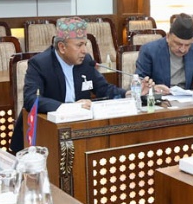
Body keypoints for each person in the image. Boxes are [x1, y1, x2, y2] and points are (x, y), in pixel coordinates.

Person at [13, 16, 151, 150]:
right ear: (62, 47)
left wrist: (129, 94)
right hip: (40, 136)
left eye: (85, 44)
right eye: (79, 45)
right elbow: (31, 99)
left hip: (77, 131)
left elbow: (103, 89)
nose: (84, 50)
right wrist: (69, 108)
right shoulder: (40, 64)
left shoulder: (85, 61)